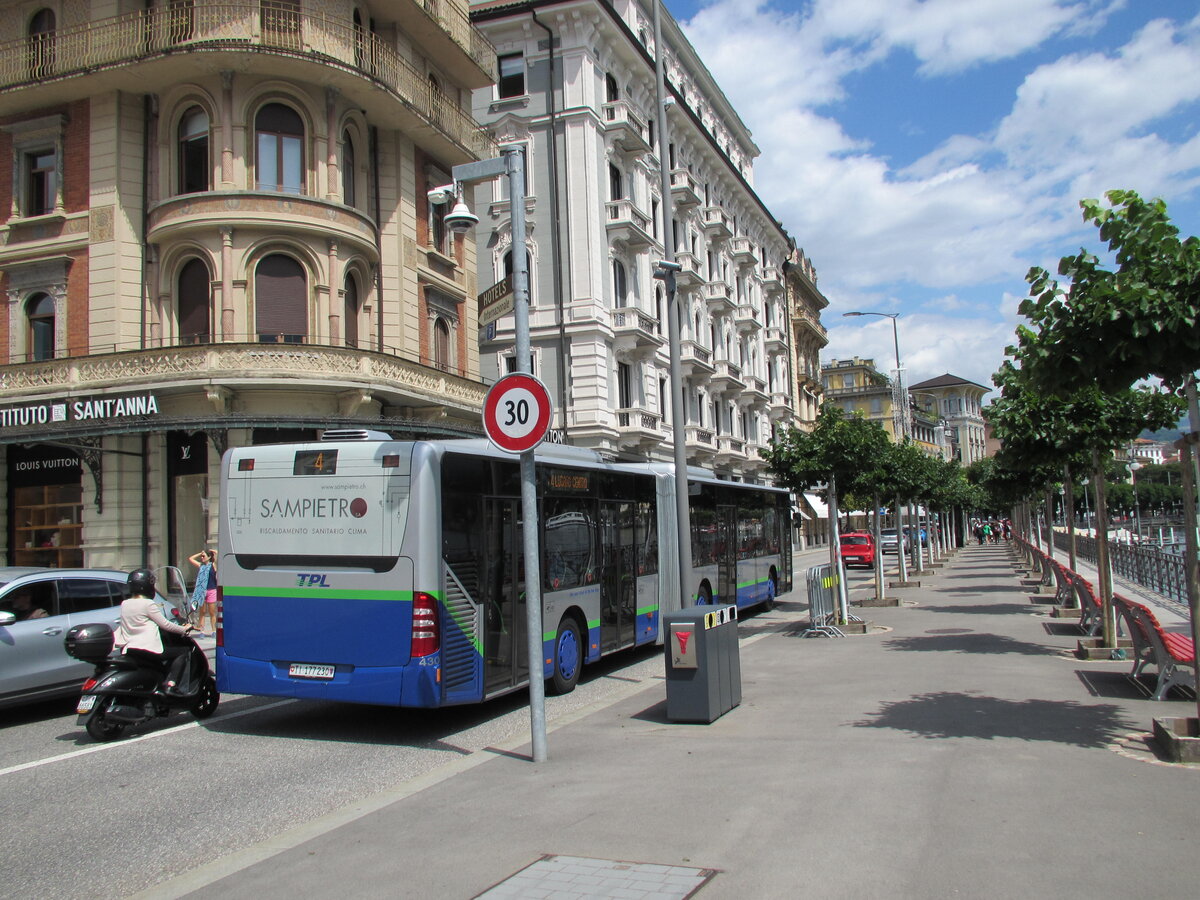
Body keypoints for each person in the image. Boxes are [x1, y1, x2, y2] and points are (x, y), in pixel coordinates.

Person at [114, 568, 197, 695]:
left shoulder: (125, 603)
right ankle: (171, 684)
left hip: (130, 648)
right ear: (147, 586)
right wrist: (184, 629)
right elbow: (165, 624)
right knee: (183, 652)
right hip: (148, 648)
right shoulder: (148, 604)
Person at [188, 549, 218, 635]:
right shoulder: (201, 565)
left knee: (212, 611)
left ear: (209, 557)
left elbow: (218, 555)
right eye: (201, 556)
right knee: (202, 611)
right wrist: (199, 553)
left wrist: (213, 552)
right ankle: (201, 630)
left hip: (212, 590)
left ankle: (214, 630)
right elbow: (190, 558)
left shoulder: (213, 565)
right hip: (202, 591)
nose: (202, 558)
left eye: (203, 556)